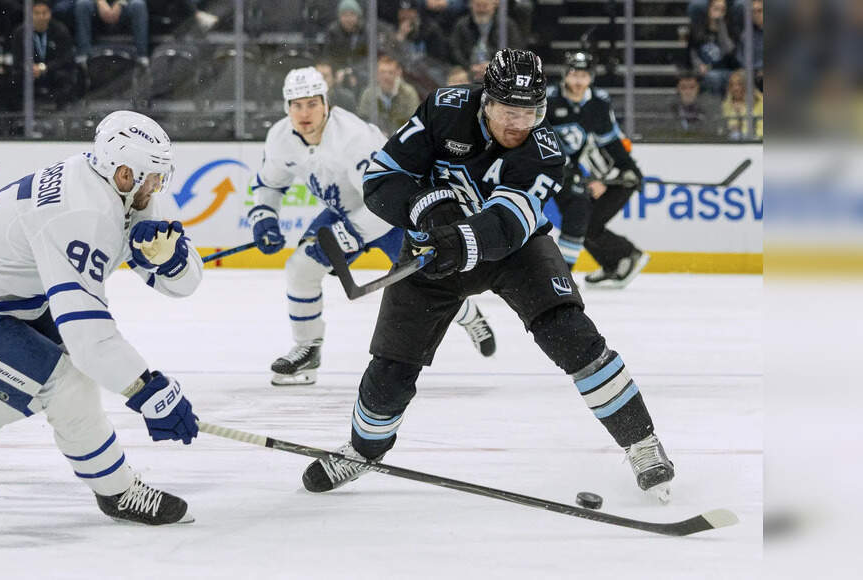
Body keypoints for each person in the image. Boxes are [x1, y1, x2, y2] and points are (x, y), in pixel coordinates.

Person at [300, 49, 675, 503]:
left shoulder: (544, 150)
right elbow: (381, 180)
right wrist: (431, 211)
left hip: (516, 252)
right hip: (431, 246)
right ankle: (362, 451)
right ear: (485, 101)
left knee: (573, 336)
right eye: (508, 111)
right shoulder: (444, 109)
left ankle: (641, 442)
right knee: (392, 364)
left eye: (530, 112)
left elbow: (508, 224)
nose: (518, 124)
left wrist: (458, 239)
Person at [0, 111, 202, 526]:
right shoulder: (81, 214)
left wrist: (173, 263)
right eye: (153, 177)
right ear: (123, 173)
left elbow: (185, 283)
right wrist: (147, 389)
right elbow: (88, 336)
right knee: (67, 382)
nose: (157, 186)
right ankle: (116, 491)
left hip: (6, 293)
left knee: (52, 374)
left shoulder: (121, 188)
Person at [247, 67, 497, 386]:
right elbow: (269, 183)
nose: (304, 113)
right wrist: (264, 216)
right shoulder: (281, 138)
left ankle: (468, 313)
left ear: (326, 103)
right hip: (346, 212)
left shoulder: (353, 137)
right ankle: (307, 349)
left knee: (431, 283)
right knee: (301, 269)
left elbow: (384, 195)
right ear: (287, 108)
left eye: (311, 103)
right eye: (296, 105)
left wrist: (348, 236)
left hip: (394, 212)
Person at [546, 50, 648, 288]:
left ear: (591, 77)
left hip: (609, 176)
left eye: (584, 75)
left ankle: (623, 256)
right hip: (570, 173)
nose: (579, 80)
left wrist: (627, 171)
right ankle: (617, 261)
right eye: (574, 74)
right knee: (583, 221)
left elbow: (611, 144)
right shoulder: (549, 100)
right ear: (565, 75)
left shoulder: (598, 103)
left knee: (582, 219)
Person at [13, 0, 80, 108]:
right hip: (30, 72)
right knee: (14, 79)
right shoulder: (20, 33)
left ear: (50, 14)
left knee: (66, 77)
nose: (41, 17)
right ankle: (19, 111)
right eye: (37, 13)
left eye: (44, 13)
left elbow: (65, 57)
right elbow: (17, 59)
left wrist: (45, 67)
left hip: (52, 70)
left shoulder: (60, 30)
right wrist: (29, 67)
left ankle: (61, 108)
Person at [358, 54, 422, 136]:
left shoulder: (408, 93)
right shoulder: (369, 94)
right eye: (382, 72)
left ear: (398, 73)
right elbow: (363, 121)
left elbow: (414, 123)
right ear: (376, 74)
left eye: (390, 72)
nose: (386, 76)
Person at [73, 0, 150, 65]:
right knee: (82, 4)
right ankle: (83, 55)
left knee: (139, 4)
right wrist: (100, 2)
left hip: (124, 5)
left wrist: (120, 2)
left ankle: (141, 55)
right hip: (97, 6)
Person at [688, 0, 736, 95]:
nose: (719, 13)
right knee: (713, 78)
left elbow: (728, 50)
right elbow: (692, 51)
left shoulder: (728, 28)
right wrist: (699, 65)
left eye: (722, 10)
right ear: (709, 10)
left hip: (724, 69)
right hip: (704, 70)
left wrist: (721, 26)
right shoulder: (698, 28)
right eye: (716, 9)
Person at [670, 71, 719, 136]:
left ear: (697, 88)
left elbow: (713, 131)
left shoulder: (708, 108)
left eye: (692, 87)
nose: (688, 92)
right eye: (683, 87)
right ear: (678, 89)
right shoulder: (670, 109)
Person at [722, 68, 763, 140]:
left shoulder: (761, 102)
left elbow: (761, 131)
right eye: (732, 85)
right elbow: (722, 130)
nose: (735, 88)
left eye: (739, 84)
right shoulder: (726, 104)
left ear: (746, 85)